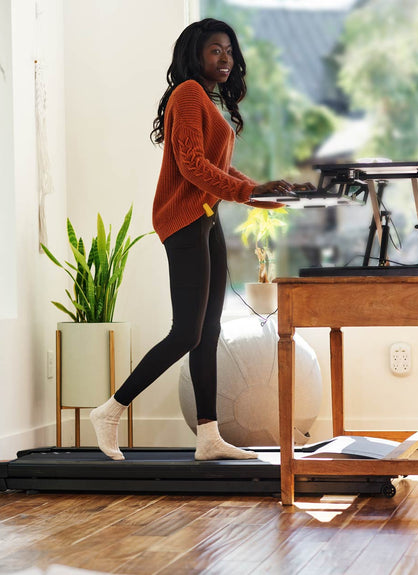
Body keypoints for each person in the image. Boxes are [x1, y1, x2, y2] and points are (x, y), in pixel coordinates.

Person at [90, 18, 312, 461]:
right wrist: (254, 192)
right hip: (184, 221)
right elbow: (191, 164)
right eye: (215, 50)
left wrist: (272, 195)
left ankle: (208, 437)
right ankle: (111, 410)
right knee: (186, 332)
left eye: (229, 50)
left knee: (208, 332)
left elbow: (223, 173)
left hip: (206, 219)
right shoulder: (188, 94)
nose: (225, 57)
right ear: (196, 54)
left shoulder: (209, 101)